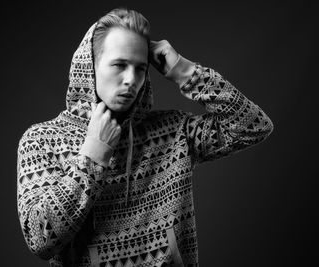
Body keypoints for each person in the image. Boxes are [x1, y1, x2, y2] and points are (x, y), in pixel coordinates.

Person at [17, 7, 273, 267]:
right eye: (119, 65)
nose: (131, 79)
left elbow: (253, 126)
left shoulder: (173, 132)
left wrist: (184, 71)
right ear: (89, 66)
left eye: (140, 68)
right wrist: (93, 154)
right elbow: (40, 240)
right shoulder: (42, 140)